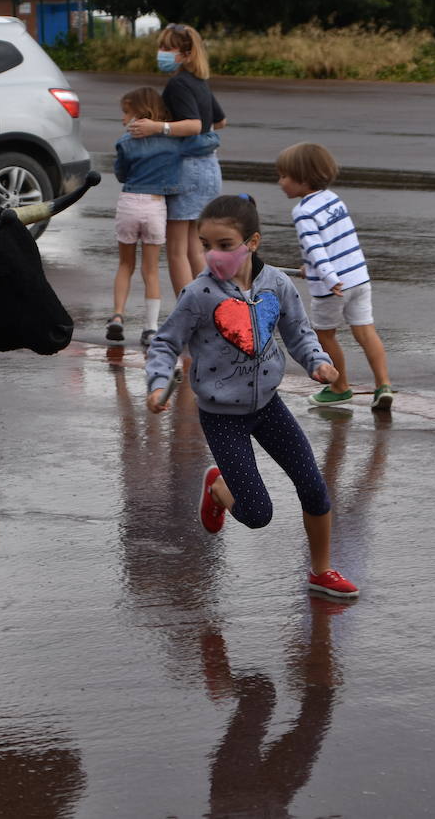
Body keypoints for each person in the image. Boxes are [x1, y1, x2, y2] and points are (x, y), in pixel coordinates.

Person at [145, 194, 360, 599]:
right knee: (258, 514)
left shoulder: (277, 283)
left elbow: (299, 332)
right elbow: (165, 343)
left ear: (253, 242)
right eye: (205, 246)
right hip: (221, 416)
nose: (213, 255)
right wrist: (158, 383)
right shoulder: (199, 294)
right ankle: (218, 489)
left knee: (314, 487)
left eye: (224, 245)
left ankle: (321, 571)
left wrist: (318, 363)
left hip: (268, 407)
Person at [276, 142, 394, 410]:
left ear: (303, 179)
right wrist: (313, 268)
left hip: (333, 287)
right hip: (359, 278)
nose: (280, 182)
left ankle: (340, 387)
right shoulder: (334, 199)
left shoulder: (303, 211)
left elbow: (316, 248)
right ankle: (383, 385)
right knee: (366, 331)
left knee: (324, 335)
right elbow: (337, 241)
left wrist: (328, 276)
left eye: (284, 176)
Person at [127, 23, 226, 298]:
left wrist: (158, 128)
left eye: (167, 48)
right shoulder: (199, 82)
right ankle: (212, 307)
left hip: (188, 171)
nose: (161, 53)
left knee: (176, 251)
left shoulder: (178, 84)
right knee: (196, 247)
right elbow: (220, 120)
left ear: (185, 53)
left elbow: (194, 125)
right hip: (209, 167)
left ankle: (190, 311)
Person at [108, 86, 179, 347]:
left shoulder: (126, 141)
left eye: (126, 112)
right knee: (151, 270)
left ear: (139, 111)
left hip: (129, 202)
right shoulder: (172, 140)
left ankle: (117, 316)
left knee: (125, 265)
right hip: (155, 205)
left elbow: (121, 174)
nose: (123, 118)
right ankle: (150, 328)